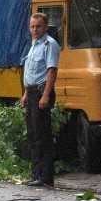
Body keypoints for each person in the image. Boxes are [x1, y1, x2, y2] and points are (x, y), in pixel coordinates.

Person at [20, 13, 60, 187]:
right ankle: (36, 174)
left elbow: (51, 71)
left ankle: (46, 177)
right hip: (32, 92)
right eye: (32, 26)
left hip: (42, 93)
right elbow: (31, 72)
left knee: (42, 135)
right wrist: (26, 93)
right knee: (33, 134)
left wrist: (45, 95)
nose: (35, 30)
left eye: (38, 26)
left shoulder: (49, 44)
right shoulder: (34, 45)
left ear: (45, 27)